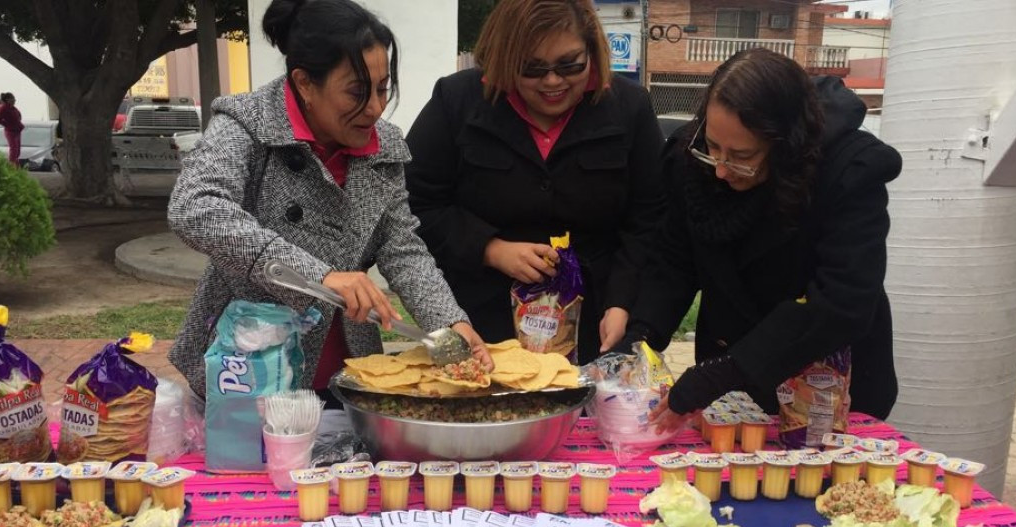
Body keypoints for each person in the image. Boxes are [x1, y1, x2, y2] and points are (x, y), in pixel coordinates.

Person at [168, 0, 491, 400]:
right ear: (305, 83)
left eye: (383, 88)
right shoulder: (246, 124)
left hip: (348, 363)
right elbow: (196, 208)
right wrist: (318, 276)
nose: (375, 108)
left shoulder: (384, 146)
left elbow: (401, 247)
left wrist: (450, 323)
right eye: (357, 92)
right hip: (247, 362)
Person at [617, 48, 902, 429]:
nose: (720, 170)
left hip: (825, 382)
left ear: (785, 144)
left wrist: (725, 371)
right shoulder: (693, 157)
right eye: (713, 147)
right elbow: (675, 259)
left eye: (742, 156)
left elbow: (842, 300)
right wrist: (642, 335)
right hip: (733, 377)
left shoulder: (848, 170)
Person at [404, 0, 665, 364]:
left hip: (595, 322)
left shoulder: (629, 107)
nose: (553, 81)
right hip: (481, 326)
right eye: (531, 68)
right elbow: (413, 205)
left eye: (570, 65)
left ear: (592, 50)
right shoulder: (457, 101)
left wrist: (621, 301)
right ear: (504, 57)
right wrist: (490, 249)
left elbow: (649, 218)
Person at [0, 92, 24, 167]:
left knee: (17, 151)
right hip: (10, 131)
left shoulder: (13, 108)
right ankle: (11, 166)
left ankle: (16, 166)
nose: (14, 100)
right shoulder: (4, 108)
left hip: (17, 131)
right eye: (13, 99)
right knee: (13, 150)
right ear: (8, 100)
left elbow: (18, 116)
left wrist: (18, 121)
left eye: (14, 99)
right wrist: (8, 125)